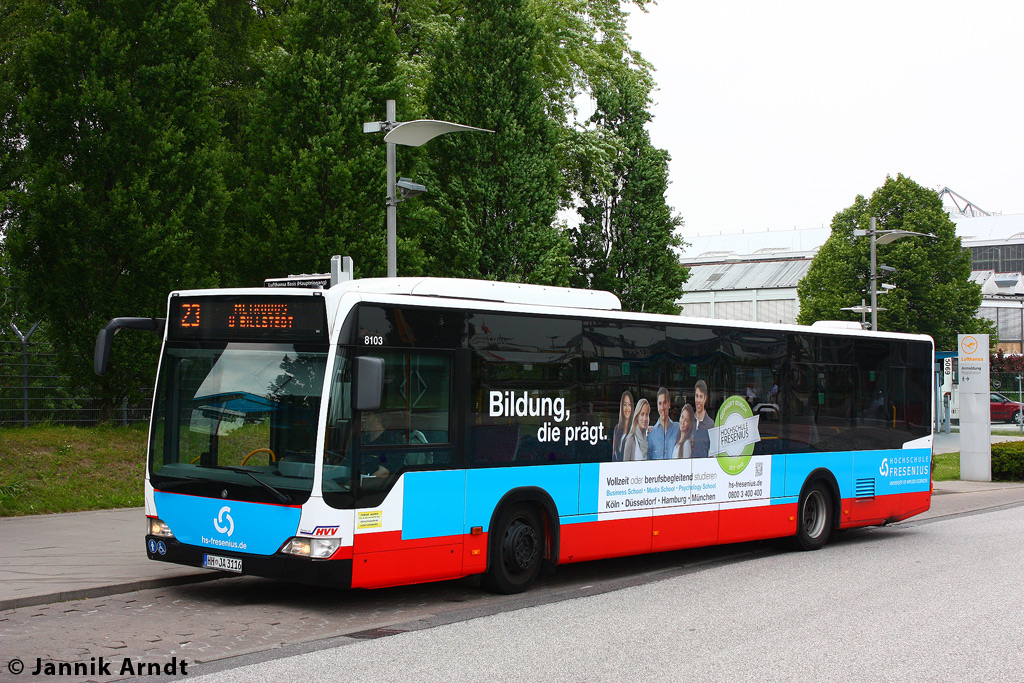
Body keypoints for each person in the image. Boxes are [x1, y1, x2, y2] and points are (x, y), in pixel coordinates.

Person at [647, 387, 679, 460]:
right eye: (660, 403)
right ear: (657, 406)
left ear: (669, 404)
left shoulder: (678, 428)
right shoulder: (651, 433)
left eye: (664, 403)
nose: (662, 407)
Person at [691, 380, 715, 458]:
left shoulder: (711, 425)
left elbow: (712, 455)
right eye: (696, 396)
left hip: (703, 469)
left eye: (701, 397)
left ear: (705, 398)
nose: (698, 400)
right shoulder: (688, 422)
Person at [611, 390, 634, 461]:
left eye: (629, 405)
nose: (627, 408)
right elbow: (614, 455)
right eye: (625, 404)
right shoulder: (617, 429)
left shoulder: (635, 429)